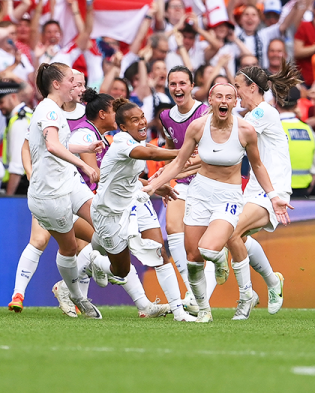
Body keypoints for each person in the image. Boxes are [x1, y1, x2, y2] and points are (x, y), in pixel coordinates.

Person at [142, 82, 289, 323]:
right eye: (218, 96)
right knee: (193, 260)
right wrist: (153, 185)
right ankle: (203, 310)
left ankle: (244, 295)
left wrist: (274, 196)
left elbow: (258, 165)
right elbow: (181, 162)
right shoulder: (198, 127)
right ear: (210, 100)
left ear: (234, 103)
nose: (223, 101)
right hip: (200, 193)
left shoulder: (245, 130)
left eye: (229, 97)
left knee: (210, 248)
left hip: (228, 196)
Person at [90, 97, 196, 322]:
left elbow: (131, 177)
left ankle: (179, 313)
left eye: (142, 118)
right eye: (134, 120)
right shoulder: (120, 142)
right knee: (120, 271)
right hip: (108, 214)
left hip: (135, 203)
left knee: (160, 253)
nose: (141, 123)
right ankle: (94, 262)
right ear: (122, 127)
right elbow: (151, 155)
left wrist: (155, 187)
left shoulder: (140, 143)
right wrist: (186, 151)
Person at [25, 62, 104, 319]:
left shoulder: (56, 110)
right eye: (71, 79)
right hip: (49, 194)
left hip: (68, 182)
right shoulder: (48, 110)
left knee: (103, 223)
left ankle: (102, 267)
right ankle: (74, 294)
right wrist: (83, 163)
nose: (76, 84)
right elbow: (52, 145)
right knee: (69, 249)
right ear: (57, 84)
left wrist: (85, 149)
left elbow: (62, 143)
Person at [227, 64, 302, 320]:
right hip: (254, 189)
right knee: (237, 237)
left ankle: (245, 297)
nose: (235, 92)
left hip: (274, 191)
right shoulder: (251, 115)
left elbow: (231, 136)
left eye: (237, 86)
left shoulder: (263, 113)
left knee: (231, 231)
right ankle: (273, 282)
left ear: (252, 87)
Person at [158, 65, 212, 312]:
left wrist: (177, 170)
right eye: (173, 84)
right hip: (182, 182)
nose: (177, 88)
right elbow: (172, 150)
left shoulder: (205, 113)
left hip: (208, 182)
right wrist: (168, 173)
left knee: (206, 245)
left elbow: (210, 153)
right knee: (171, 227)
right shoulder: (166, 116)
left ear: (192, 86)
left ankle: (248, 291)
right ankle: (192, 292)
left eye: (182, 83)